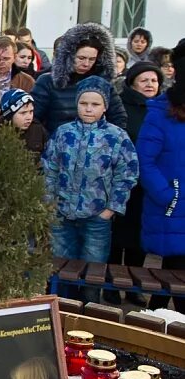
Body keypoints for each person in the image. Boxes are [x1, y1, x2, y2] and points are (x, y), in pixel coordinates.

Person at [41, 77, 139, 302]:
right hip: (62, 216)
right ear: (77, 103)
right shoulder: (63, 132)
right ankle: (62, 317)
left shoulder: (117, 137)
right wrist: (50, 202)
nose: (88, 108)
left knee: (92, 275)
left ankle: (89, 320)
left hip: (97, 218)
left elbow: (128, 174)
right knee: (60, 272)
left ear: (104, 107)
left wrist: (111, 209)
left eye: (95, 104)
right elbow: (49, 168)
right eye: (84, 103)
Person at [109, 61, 163, 302]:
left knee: (137, 241)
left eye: (154, 80)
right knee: (115, 238)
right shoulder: (121, 106)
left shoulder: (163, 108)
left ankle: (134, 288)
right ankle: (110, 287)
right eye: (145, 80)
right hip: (120, 182)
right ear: (132, 83)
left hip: (149, 186)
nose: (150, 84)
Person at [137, 39, 185, 302]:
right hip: (173, 206)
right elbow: (145, 160)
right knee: (171, 278)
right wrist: (170, 195)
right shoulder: (161, 113)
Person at [32, 23, 128, 134]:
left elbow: (119, 117)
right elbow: (33, 118)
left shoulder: (102, 83)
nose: (86, 64)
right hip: (58, 144)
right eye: (81, 58)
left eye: (92, 59)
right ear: (68, 55)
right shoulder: (47, 82)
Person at [0, 88, 47, 162]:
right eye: (23, 113)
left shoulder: (38, 129)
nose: (29, 117)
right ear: (9, 115)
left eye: (31, 111)